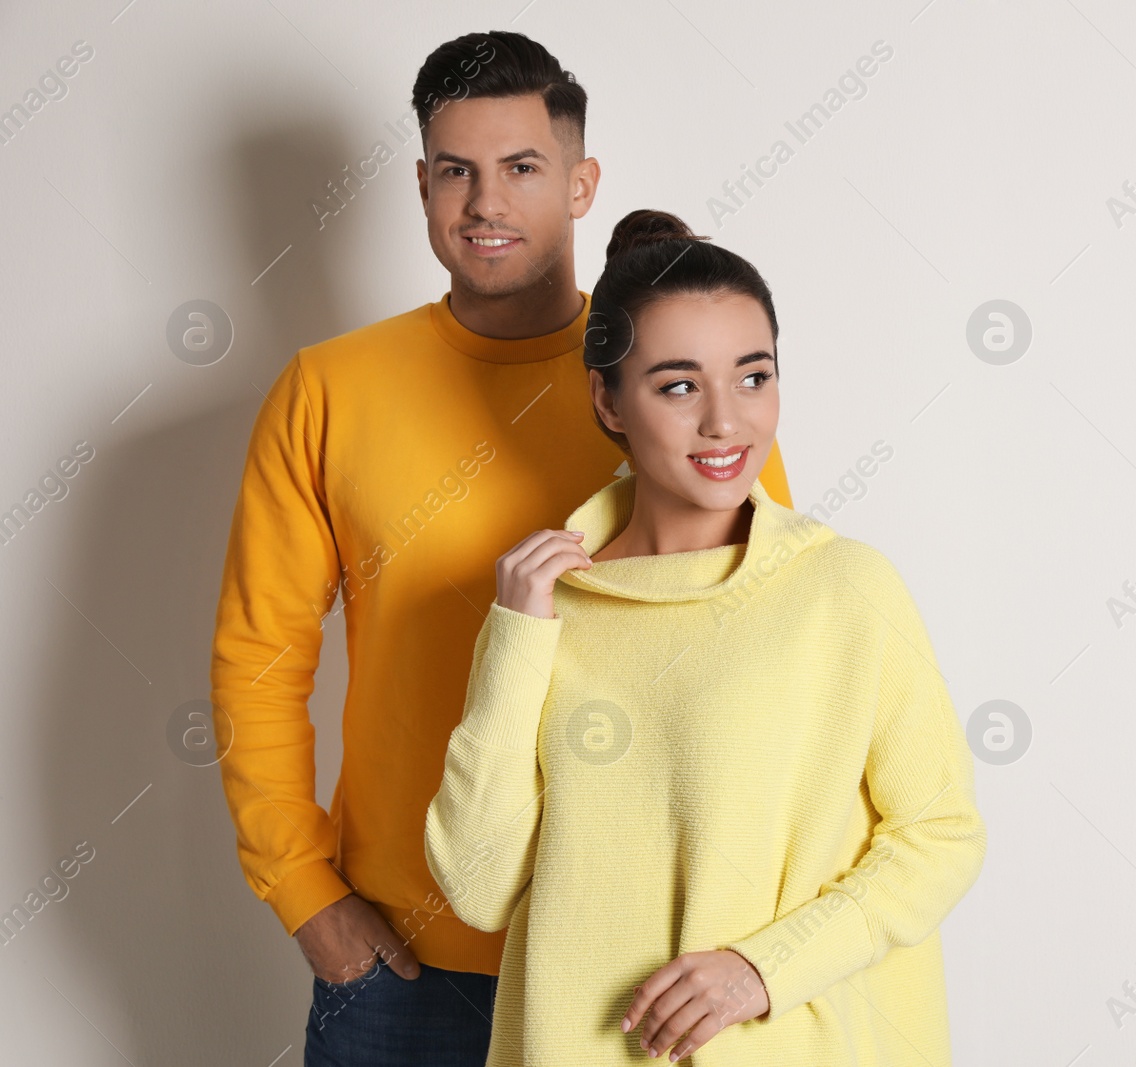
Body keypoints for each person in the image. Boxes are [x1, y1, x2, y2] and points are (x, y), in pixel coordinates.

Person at [207, 34, 795, 1067]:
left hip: (635, 961)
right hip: (399, 964)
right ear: (422, 184)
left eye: (521, 167)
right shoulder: (329, 390)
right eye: (455, 170)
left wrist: (752, 942)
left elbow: (770, 655)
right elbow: (258, 660)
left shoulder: (676, 382)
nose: (485, 202)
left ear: (580, 183)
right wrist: (305, 896)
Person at [423, 208, 986, 1066]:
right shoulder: (544, 611)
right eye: (679, 385)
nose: (727, 422)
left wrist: (760, 970)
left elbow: (939, 833)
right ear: (608, 399)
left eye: (753, 377)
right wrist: (515, 642)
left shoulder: (844, 588)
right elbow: (477, 885)